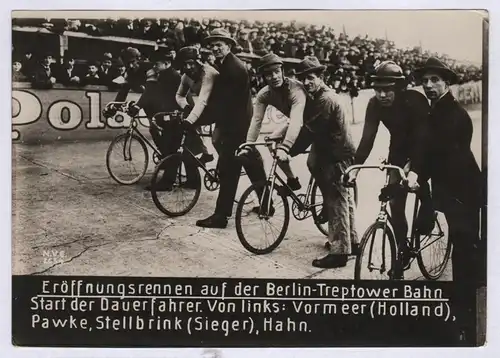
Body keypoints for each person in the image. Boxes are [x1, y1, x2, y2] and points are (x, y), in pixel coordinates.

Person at [414, 58, 484, 341]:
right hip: (452, 187)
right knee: (464, 247)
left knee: (465, 251)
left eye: (435, 80)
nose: (429, 85)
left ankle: (466, 321)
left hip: (463, 189)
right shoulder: (436, 111)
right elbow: (426, 147)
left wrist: (418, 172)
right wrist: (413, 167)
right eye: (425, 81)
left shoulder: (453, 114)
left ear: (447, 83)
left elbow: (440, 156)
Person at [346, 60, 434, 270]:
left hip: (424, 148)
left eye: (387, 90)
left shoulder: (415, 100)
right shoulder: (374, 105)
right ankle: (402, 248)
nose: (382, 95)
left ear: (399, 88)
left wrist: (413, 168)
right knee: (395, 202)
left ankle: (428, 203)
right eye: (377, 90)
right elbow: (367, 140)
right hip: (398, 150)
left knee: (416, 184)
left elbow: (423, 140)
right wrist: (354, 169)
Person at [180, 29, 260, 228]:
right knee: (251, 163)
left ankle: (221, 216)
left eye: (220, 44)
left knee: (228, 169)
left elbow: (222, 106)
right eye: (213, 44)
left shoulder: (233, 69)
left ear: (229, 46)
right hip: (235, 122)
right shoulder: (224, 65)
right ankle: (266, 201)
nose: (215, 48)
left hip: (236, 124)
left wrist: (195, 121)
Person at [295, 57, 359, 268]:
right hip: (337, 152)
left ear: (321, 78)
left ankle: (339, 253)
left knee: (336, 200)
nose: (306, 82)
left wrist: (289, 149)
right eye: (303, 79)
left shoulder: (325, 100)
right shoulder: (322, 96)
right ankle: (352, 241)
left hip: (337, 155)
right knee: (344, 198)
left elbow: (310, 130)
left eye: (311, 78)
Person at [241, 53, 306, 192]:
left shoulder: (296, 89)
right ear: (264, 78)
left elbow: (296, 121)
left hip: (311, 123)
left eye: (277, 72)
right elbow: (256, 120)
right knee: (271, 141)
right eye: (269, 74)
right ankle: (292, 179)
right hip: (298, 122)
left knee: (315, 162)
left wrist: (285, 147)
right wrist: (248, 145)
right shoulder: (264, 94)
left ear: (282, 71)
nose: (275, 77)